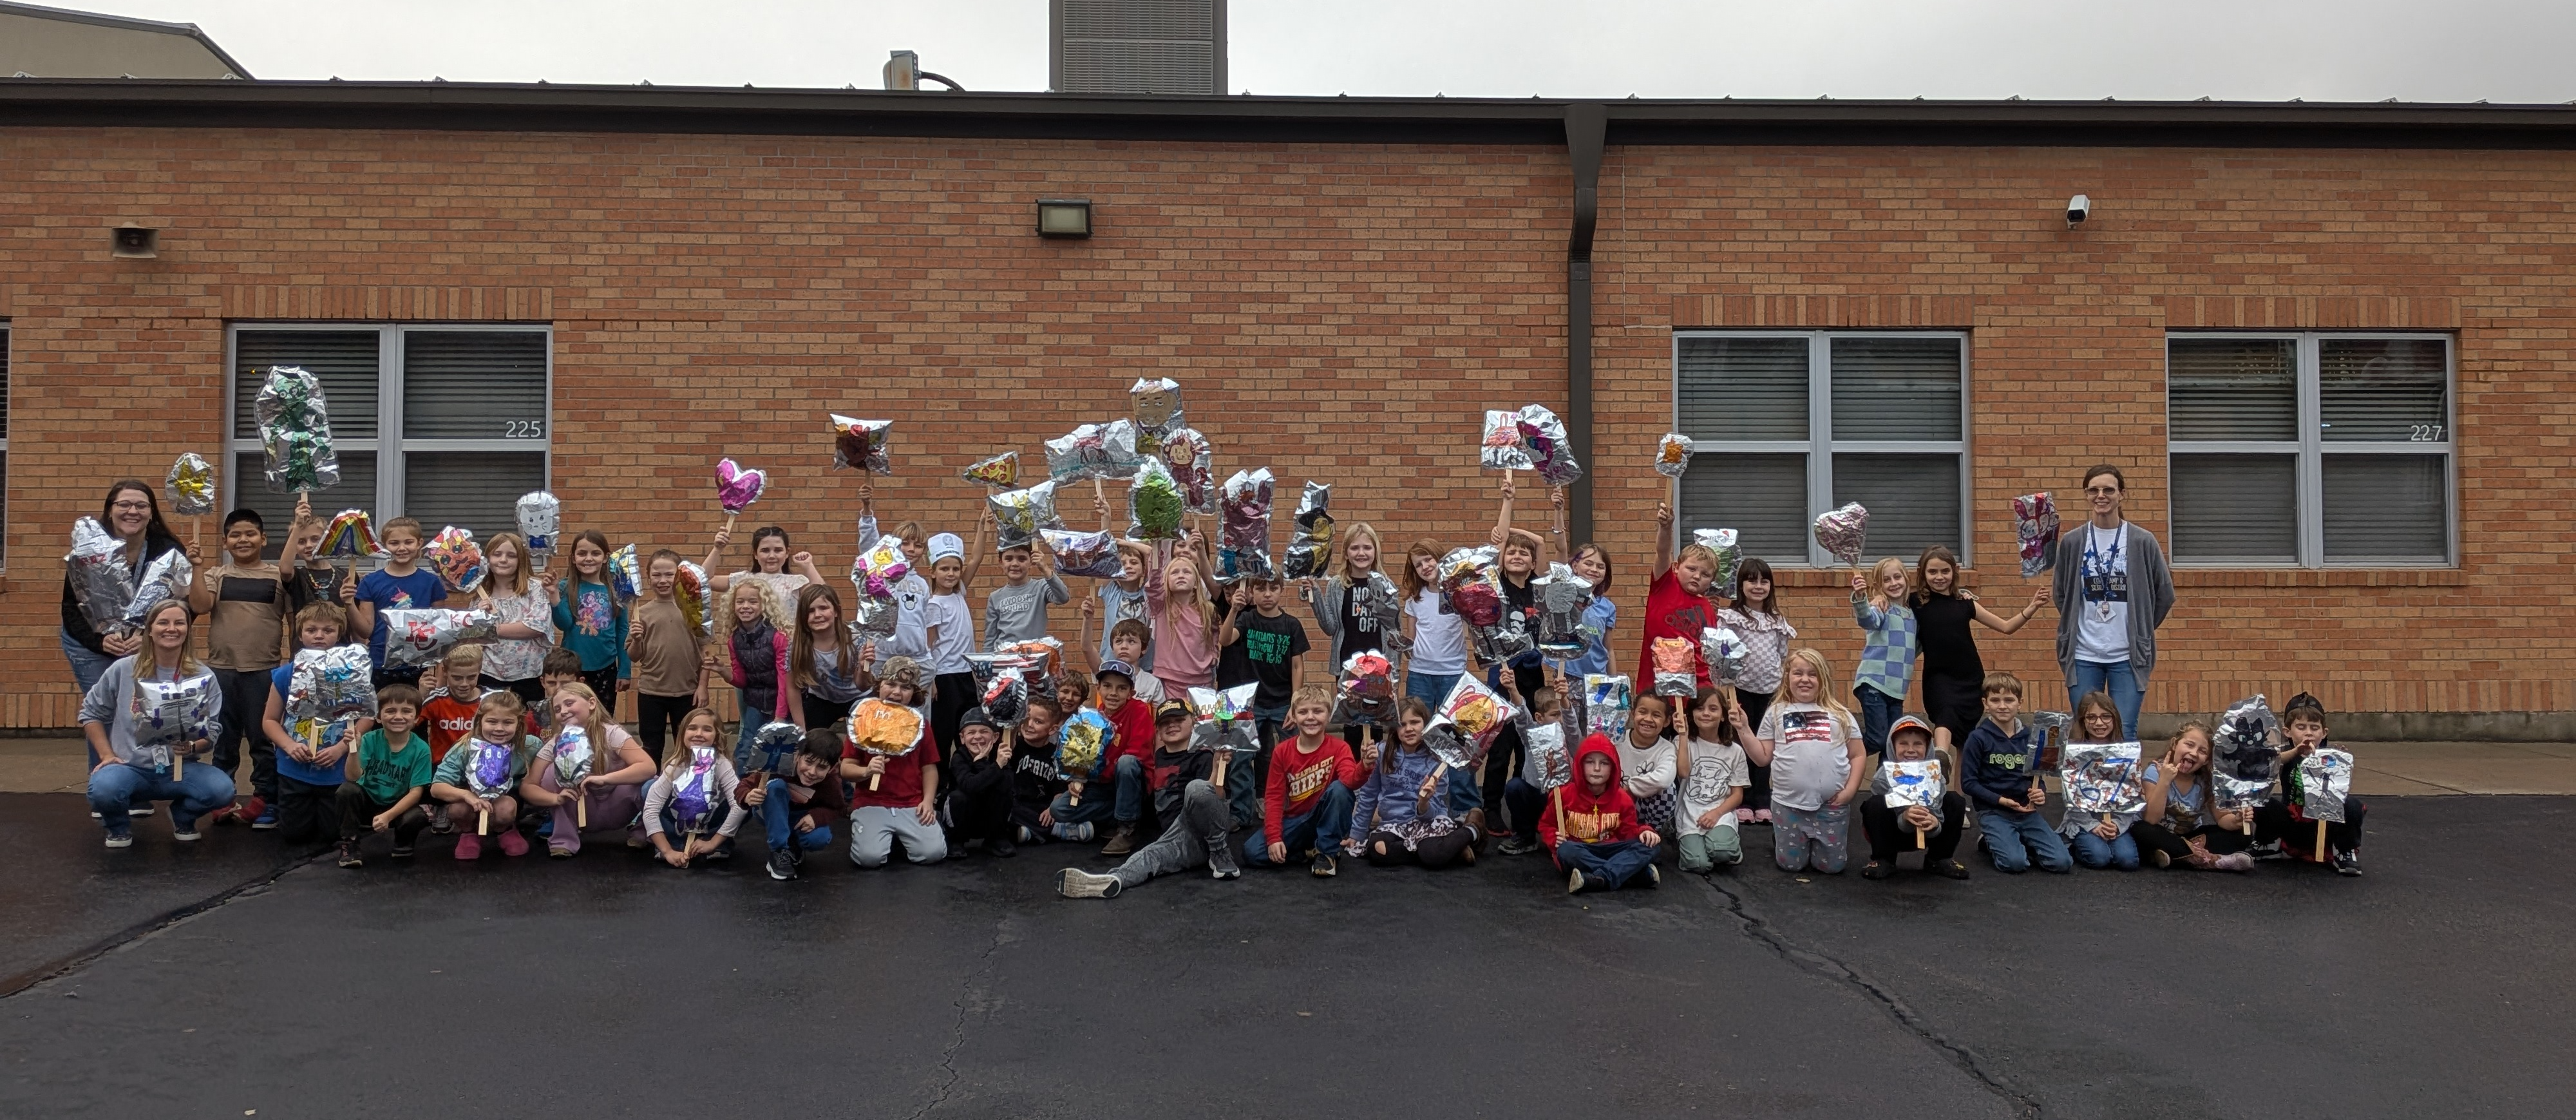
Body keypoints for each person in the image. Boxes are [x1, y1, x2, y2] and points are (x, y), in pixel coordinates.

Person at [81, 598, 233, 848]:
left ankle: (182, 817)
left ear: (187, 630)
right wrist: (106, 755)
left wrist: (194, 747)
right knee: (104, 789)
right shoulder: (123, 669)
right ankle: (118, 828)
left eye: (179, 623)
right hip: (130, 768)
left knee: (222, 790)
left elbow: (213, 730)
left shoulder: (203, 676)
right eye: (163, 622)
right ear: (149, 630)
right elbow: (91, 713)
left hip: (180, 768)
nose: (171, 629)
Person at [1055, 698, 1244, 898]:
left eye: (1179, 720)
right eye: (1165, 722)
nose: (1171, 725)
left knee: (1197, 788)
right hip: (1179, 838)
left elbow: (1215, 799)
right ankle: (1113, 880)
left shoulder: (1204, 755)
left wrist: (1216, 767)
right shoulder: (1160, 757)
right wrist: (1081, 777)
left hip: (1206, 829)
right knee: (1149, 855)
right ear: (1158, 733)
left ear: (1194, 722)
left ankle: (1220, 852)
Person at [2050, 464, 2176, 739]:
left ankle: (2122, 784)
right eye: (2094, 490)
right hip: (2083, 653)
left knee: (2125, 730)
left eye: (2109, 489)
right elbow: (2061, 594)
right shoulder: (2072, 542)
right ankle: (2088, 784)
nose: (2101, 495)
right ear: (2086, 495)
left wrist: (2142, 626)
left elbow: (2165, 593)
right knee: (2086, 731)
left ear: (2122, 495)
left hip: (2127, 656)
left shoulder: (2143, 541)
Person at [187, 507, 283, 828]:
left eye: (250, 533)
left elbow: (297, 620)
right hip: (220, 670)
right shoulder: (216, 574)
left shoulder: (278, 576)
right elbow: (200, 606)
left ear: (263, 538)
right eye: (235, 535)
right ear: (226, 542)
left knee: (262, 740)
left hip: (265, 670)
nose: (243, 540)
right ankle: (222, 796)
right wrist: (197, 568)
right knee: (223, 739)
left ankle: (267, 799)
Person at [1909, 546, 2045, 763]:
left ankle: (1961, 797)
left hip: (1970, 678)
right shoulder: (1915, 602)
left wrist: (2033, 607)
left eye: (1945, 571)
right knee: (1945, 715)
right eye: (1932, 572)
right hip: (1938, 677)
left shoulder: (1966, 604)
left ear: (1954, 571)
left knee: (1965, 740)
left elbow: (2006, 627)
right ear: (1922, 573)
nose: (1939, 577)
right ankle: (1941, 756)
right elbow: (1890, 605)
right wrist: (1879, 600)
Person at [1736, 648, 1865, 875]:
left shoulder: (1841, 714)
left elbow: (1857, 754)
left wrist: (1851, 790)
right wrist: (1744, 729)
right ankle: (1785, 837)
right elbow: (1762, 757)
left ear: (1823, 678)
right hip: (1789, 806)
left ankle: (1814, 844)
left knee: (1831, 867)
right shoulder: (1776, 712)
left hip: (1831, 806)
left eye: (1812, 674)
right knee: (1791, 866)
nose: (1805, 679)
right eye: (1798, 673)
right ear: (1787, 678)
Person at [61, 481, 187, 698]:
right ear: (110, 511)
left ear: (151, 513)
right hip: (92, 645)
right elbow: (71, 607)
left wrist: (149, 638)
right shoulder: (90, 552)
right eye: (124, 505)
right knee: (103, 708)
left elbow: (185, 606)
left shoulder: (169, 551)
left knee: (142, 709)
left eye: (141, 506)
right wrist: (100, 642)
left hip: (146, 644)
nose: (132, 511)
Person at [263, 603, 365, 846]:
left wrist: (341, 748)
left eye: (328, 630)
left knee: (332, 836)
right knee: (295, 835)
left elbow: (368, 716)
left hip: (335, 769)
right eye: (312, 630)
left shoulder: (352, 672)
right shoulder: (286, 674)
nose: (319, 635)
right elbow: (269, 721)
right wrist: (288, 746)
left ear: (340, 633)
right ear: (300, 635)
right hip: (295, 768)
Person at [519, 681, 654, 857]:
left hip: (618, 807)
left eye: (569, 703)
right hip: (580, 807)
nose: (563, 711)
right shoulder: (556, 742)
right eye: (558, 709)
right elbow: (528, 785)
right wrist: (556, 798)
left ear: (591, 703)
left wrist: (605, 779)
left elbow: (648, 767)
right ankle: (563, 838)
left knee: (651, 784)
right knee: (551, 772)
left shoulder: (612, 733)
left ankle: (642, 831)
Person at [1959, 670, 2072, 875]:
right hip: (1994, 811)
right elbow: (1969, 783)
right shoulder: (1978, 738)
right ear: (1986, 703)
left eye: (2009, 700)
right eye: (1995, 700)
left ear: (2020, 703)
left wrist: (2040, 793)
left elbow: (2037, 776)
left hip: (2026, 810)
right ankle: (1989, 841)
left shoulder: (2032, 737)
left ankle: (2016, 839)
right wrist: (2001, 800)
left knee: (2062, 862)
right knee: (2015, 864)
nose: (2002, 706)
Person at [1243, 683, 1362, 877]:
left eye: (1318, 711)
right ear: (1294, 716)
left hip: (1326, 816)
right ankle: (1309, 852)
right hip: (1296, 821)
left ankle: (1327, 853)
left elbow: (1350, 782)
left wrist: (1365, 766)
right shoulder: (1282, 751)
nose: (1310, 718)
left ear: (1329, 715)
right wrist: (1274, 838)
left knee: (1340, 789)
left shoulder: (1340, 748)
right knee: (1252, 852)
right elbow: (1274, 797)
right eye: (1303, 712)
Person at [1345, 698, 1477, 869]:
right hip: (1393, 825)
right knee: (1378, 850)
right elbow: (1368, 796)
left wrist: (1423, 803)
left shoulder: (1437, 759)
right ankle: (1450, 848)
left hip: (1428, 822)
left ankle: (1472, 830)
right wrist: (1357, 834)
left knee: (1431, 856)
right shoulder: (1382, 752)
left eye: (1415, 723)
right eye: (1402, 724)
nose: (1409, 729)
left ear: (1426, 724)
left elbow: (1434, 811)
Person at [842, 663, 945, 868]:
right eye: (891, 684)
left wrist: (928, 800)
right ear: (879, 686)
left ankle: (898, 837)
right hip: (872, 802)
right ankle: (881, 836)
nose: (897, 692)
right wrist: (866, 771)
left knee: (933, 854)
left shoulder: (920, 725)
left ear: (913, 693)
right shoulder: (862, 720)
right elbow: (846, 768)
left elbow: (929, 767)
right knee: (868, 860)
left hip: (911, 803)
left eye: (905, 688)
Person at [1715, 558, 1794, 825]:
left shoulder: (1777, 620)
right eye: (1751, 580)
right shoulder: (1731, 617)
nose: (1758, 586)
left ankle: (1763, 798)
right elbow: (1722, 652)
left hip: (1771, 692)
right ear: (1741, 585)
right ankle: (1744, 798)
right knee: (1741, 744)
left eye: (1764, 581)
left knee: (1766, 746)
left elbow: (1782, 654)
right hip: (1741, 690)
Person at [1216, 573, 1310, 792]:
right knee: (1241, 759)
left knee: (1293, 755)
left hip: (1283, 703)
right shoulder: (1247, 619)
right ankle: (1241, 813)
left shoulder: (1291, 625)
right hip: (1251, 704)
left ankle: (1293, 804)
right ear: (1251, 593)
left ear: (1281, 590)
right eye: (1261, 589)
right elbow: (1225, 639)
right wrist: (1234, 609)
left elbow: (1298, 666)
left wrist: (1296, 703)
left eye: (1273, 588)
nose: (1267, 594)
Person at [2259, 692, 2366, 876]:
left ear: (2323, 733)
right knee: (2261, 801)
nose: (2308, 732)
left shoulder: (2330, 757)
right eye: (2301, 727)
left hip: (2324, 825)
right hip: (2294, 824)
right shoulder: (2286, 754)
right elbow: (2267, 764)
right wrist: (2295, 752)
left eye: (2314, 728)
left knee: (2352, 806)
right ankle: (2269, 842)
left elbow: (2340, 788)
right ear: (2287, 731)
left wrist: (2340, 759)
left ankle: (2344, 850)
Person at [1538, 735, 1662, 893]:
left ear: (1614, 767)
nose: (1597, 768)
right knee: (1566, 850)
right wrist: (1554, 838)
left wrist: (1645, 831)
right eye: (1590, 762)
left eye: (1604, 763)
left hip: (1611, 849)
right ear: (1580, 765)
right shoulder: (1562, 795)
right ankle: (1632, 875)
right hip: (1580, 849)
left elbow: (1628, 833)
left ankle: (1598, 879)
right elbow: (1546, 824)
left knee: (1651, 847)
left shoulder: (1622, 798)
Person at [2130, 721, 2256, 872]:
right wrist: (2164, 781)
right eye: (2189, 745)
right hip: (2160, 833)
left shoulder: (2206, 781)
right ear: (2175, 744)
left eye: (2202, 751)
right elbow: (2151, 819)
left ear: (2206, 761)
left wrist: (2237, 820)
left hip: (2191, 838)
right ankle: (2212, 860)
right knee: (2141, 830)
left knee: (2245, 832)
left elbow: (2222, 818)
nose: (2194, 753)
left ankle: (2176, 856)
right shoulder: (2155, 771)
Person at [1857, 714, 1972, 880]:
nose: (1911, 749)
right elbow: (1883, 816)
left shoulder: (1935, 776)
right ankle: (1884, 859)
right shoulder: (1883, 777)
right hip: (1895, 831)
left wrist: (1934, 824)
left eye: (1918, 744)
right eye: (1903, 743)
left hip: (1927, 830)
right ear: (1892, 746)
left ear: (1928, 747)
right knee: (1875, 803)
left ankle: (1939, 858)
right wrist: (1905, 815)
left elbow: (1938, 813)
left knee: (1955, 801)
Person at [1060, 660, 1155, 857]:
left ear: (1131, 692)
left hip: (1131, 781)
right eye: (1107, 686)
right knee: (1059, 809)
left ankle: (1128, 829)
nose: (1113, 693)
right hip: (1104, 785)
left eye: (1121, 688)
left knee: (1126, 762)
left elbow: (1137, 753)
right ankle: (1118, 818)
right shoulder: (1091, 717)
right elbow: (1082, 758)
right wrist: (1078, 777)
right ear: (1098, 689)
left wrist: (1099, 773)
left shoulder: (1139, 711)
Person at [427, 692, 536, 860]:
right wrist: (466, 795)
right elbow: (436, 788)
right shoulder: (464, 748)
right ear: (480, 721)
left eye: (508, 722)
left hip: (504, 801)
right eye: (492, 721)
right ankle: (468, 832)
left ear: (519, 723)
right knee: (457, 809)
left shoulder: (529, 746)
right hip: (470, 803)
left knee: (505, 808)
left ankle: (505, 829)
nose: (499, 728)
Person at [625, 549, 710, 759]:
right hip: (651, 692)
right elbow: (634, 656)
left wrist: (703, 686)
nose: (662, 580)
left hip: (687, 691)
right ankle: (651, 788)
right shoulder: (641, 612)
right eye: (656, 575)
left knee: (689, 747)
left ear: (679, 576)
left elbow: (706, 651)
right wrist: (637, 639)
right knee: (652, 746)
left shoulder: (693, 609)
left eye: (669, 575)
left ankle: (688, 787)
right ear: (648, 578)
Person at [335, 683, 432, 868]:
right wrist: (353, 751)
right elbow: (352, 777)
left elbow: (416, 793)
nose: (398, 716)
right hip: (369, 801)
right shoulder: (370, 740)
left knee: (418, 815)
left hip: (398, 805)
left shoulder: (421, 749)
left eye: (406, 711)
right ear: (379, 717)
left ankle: (403, 841)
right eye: (390, 711)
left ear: (417, 718)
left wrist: (388, 816)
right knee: (346, 791)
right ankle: (350, 843)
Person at [641, 708, 746, 868]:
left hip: (712, 823)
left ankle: (718, 845)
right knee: (648, 788)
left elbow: (739, 805)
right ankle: (675, 844)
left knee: (746, 797)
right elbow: (651, 808)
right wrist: (667, 850)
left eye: (707, 729)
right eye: (692, 728)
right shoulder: (676, 765)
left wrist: (713, 842)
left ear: (717, 737)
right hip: (679, 823)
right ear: (682, 734)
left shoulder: (721, 764)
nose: (699, 733)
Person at [352, 516, 446, 687]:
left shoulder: (432, 582)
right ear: (384, 546)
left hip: (418, 664)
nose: (402, 548)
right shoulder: (370, 582)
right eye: (394, 543)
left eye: (408, 542)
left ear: (419, 543)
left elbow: (439, 630)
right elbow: (366, 631)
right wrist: (348, 603)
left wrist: (437, 670)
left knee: (416, 713)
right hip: (381, 661)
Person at [1641, 502, 1723, 692]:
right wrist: (1666, 527)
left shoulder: (1707, 607)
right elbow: (1662, 552)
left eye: (1705, 575)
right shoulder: (1665, 585)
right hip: (1657, 680)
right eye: (1692, 569)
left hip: (1698, 684)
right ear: (1676, 567)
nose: (1697, 576)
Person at [748, 728, 851, 880]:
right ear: (798, 755)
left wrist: (816, 817)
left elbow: (839, 808)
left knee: (820, 838)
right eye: (808, 762)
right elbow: (744, 786)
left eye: (821, 767)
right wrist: (747, 796)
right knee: (776, 786)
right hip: (770, 812)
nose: (812, 772)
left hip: (799, 819)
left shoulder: (831, 783)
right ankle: (779, 851)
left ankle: (793, 846)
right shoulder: (779, 764)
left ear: (832, 768)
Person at [2059, 691, 2141, 871]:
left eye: (2105, 717)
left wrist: (2118, 826)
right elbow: (2070, 798)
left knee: (2128, 861)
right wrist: (2093, 826)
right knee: (2100, 858)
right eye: (2091, 717)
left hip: (2116, 820)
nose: (2099, 723)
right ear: (2082, 720)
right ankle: (2072, 846)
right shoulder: (2073, 753)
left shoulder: (2126, 753)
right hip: (2084, 821)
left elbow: (2131, 794)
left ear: (2114, 719)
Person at [473, 531, 555, 706]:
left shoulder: (535, 589)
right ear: (487, 558)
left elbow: (535, 626)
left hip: (530, 674)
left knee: (529, 725)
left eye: (511, 556)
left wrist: (492, 629)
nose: (503, 560)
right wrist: (478, 618)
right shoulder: (480, 597)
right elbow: (473, 637)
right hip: (489, 673)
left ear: (521, 560)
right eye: (497, 554)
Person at [1674, 687, 1751, 873]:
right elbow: (1683, 772)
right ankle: (1696, 846)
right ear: (1691, 714)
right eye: (1700, 708)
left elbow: (1737, 795)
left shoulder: (1735, 751)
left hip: (1720, 814)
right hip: (1690, 815)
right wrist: (1683, 735)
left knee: (1722, 852)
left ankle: (1728, 846)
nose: (1706, 713)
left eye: (1713, 709)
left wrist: (1716, 814)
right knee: (1697, 864)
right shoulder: (1682, 742)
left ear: (1723, 715)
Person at [1848, 556, 1917, 759]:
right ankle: (1839, 754)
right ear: (1879, 586)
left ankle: (1883, 788)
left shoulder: (1911, 614)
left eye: (1898, 577)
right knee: (1878, 739)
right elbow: (1867, 620)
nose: (1894, 583)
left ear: (1906, 578)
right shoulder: (1880, 608)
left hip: (1896, 690)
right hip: (1874, 684)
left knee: (1891, 743)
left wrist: (1963, 595)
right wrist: (1860, 597)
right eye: (1887, 580)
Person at [551, 531, 630, 704]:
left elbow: (623, 631)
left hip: (606, 668)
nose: (588, 558)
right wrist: (554, 596)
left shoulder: (616, 590)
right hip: (572, 669)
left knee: (602, 720)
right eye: (582, 553)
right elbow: (564, 624)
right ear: (573, 558)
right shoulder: (565, 587)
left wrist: (624, 670)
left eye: (595, 553)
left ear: (605, 557)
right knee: (571, 716)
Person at [720, 578, 791, 769]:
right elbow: (741, 681)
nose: (746, 606)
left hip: (782, 704)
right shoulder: (735, 639)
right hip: (756, 704)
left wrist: (780, 716)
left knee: (777, 756)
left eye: (753, 602)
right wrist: (722, 670)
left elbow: (785, 681)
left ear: (764, 605)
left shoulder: (778, 637)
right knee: (744, 755)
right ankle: (740, 796)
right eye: (740, 602)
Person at [970, 517, 1070, 652]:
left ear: (1031, 561)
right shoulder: (995, 597)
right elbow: (991, 636)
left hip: (1034, 657)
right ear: (1001, 562)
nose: (1015, 564)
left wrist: (1045, 569)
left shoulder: (1041, 587)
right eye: (1009, 559)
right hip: (1005, 658)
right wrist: (988, 665)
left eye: (1022, 559)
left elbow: (1063, 597)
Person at [920, 533, 978, 760]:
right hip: (945, 676)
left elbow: (977, 559)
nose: (951, 574)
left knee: (968, 728)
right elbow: (929, 644)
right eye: (944, 569)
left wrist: (982, 527)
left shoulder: (959, 594)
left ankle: (966, 776)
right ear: (932, 572)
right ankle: (940, 783)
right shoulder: (933, 604)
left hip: (965, 674)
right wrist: (931, 679)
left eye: (956, 569)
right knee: (943, 733)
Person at [1144, 532, 1220, 699]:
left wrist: (1214, 654)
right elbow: (1154, 583)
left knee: (1200, 725)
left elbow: (1214, 634)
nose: (1180, 575)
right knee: (1172, 724)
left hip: (1203, 681)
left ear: (1196, 583)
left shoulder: (1207, 610)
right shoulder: (1162, 606)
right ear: (1167, 582)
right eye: (1175, 573)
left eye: (1187, 572)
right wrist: (1157, 549)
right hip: (1169, 680)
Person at [786, 585, 871, 730]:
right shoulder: (796, 647)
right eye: (810, 611)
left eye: (823, 608)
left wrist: (864, 669)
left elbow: (863, 686)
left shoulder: (857, 639)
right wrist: (801, 729)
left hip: (858, 696)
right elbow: (793, 688)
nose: (817, 615)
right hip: (821, 698)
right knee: (810, 744)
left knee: (865, 740)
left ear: (836, 611)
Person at [1396, 538, 1469, 707]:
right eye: (1418, 565)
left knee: (1451, 728)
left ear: (1439, 558)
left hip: (1453, 672)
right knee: (1419, 724)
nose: (1425, 567)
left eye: (1428, 559)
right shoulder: (1415, 598)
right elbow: (1411, 639)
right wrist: (1401, 645)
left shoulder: (1458, 596)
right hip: (1419, 673)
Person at [703, 524, 817, 627]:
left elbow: (824, 596)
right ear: (755, 554)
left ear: (787, 553)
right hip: (749, 647)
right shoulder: (744, 579)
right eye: (765, 551)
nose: (772, 556)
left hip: (787, 647)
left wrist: (808, 566)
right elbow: (704, 580)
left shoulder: (796, 583)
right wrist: (717, 549)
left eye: (778, 550)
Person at [945, 707, 1018, 858]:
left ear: (996, 736)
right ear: (962, 738)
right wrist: (994, 766)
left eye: (984, 731)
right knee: (959, 797)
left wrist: (988, 763)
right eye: (971, 732)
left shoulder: (1001, 755)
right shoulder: (959, 757)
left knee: (1004, 794)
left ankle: (996, 839)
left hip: (990, 818)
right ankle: (956, 841)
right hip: (964, 817)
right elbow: (969, 786)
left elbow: (1007, 786)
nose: (977, 737)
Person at [1613, 692, 1678, 835]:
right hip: (1613, 805)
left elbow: (1664, 779)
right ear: (1633, 713)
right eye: (1642, 712)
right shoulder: (1618, 740)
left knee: (1667, 791)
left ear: (1667, 721)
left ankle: (1651, 834)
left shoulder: (1667, 748)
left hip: (1642, 810)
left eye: (1656, 715)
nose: (1648, 719)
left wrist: (1630, 788)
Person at [417, 643, 489, 770]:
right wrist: (420, 697)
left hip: (481, 765)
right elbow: (407, 724)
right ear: (445, 671)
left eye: (471, 677)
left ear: (480, 670)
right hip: (442, 767)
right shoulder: (436, 699)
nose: (464, 684)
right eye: (457, 678)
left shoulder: (490, 701)